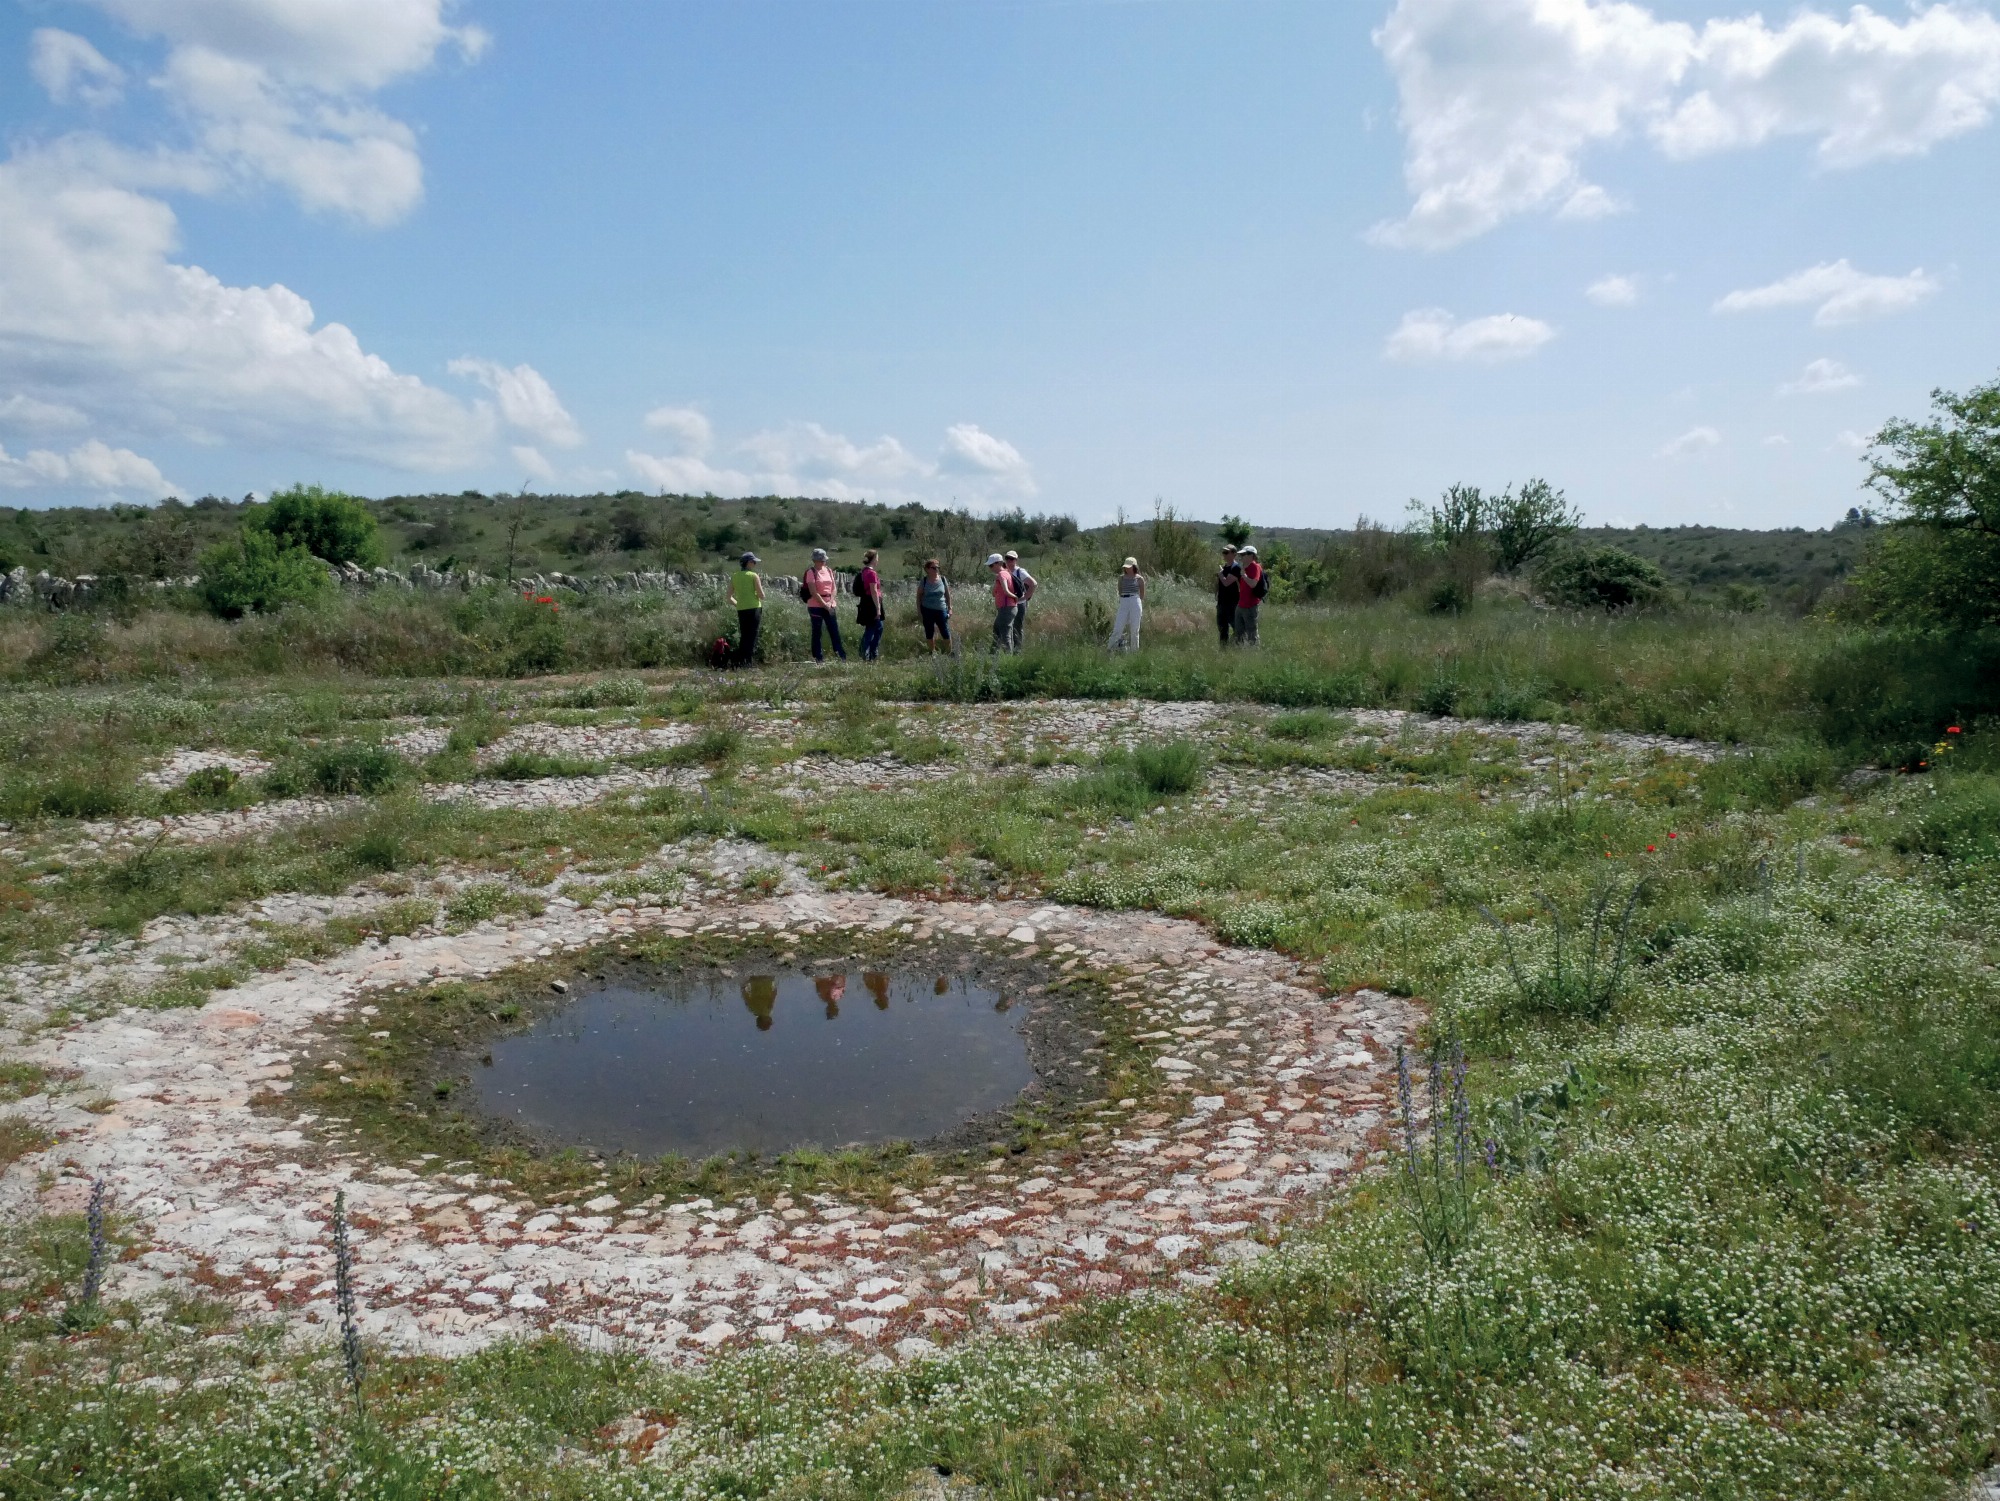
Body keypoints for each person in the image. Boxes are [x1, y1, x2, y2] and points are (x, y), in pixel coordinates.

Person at [800, 547, 846, 662]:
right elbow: (813, 592)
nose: (823, 562)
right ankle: (818, 658)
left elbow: (834, 588)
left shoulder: (829, 570)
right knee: (817, 631)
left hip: (830, 603)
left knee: (834, 630)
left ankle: (841, 656)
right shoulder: (811, 572)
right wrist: (824, 605)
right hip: (815, 605)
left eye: (824, 560)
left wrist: (830, 602)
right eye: (821, 560)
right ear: (815, 560)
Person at [730, 551, 765, 667]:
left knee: (744, 635)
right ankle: (748, 663)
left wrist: (738, 604)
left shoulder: (735, 576)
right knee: (752, 635)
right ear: (749, 563)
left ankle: (741, 661)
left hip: (741, 609)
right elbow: (761, 595)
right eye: (754, 562)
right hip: (754, 608)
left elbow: (728, 597)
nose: (755, 564)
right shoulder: (753, 576)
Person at [1108, 556, 1145, 651]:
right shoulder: (1121, 578)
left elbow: (1142, 594)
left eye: (1129, 567)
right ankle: (1111, 649)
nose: (1127, 568)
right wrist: (1123, 600)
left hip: (1135, 601)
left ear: (1134, 566)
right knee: (1118, 627)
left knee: (1134, 629)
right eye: (1126, 567)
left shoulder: (1139, 579)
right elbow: (1120, 591)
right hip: (1124, 601)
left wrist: (1135, 601)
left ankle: (1134, 651)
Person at [987, 552, 1020, 653]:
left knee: (1005, 635)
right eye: (989, 566)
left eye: (991, 565)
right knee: (998, 630)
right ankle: (993, 654)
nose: (990, 568)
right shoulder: (1006, 573)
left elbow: (1005, 590)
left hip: (1007, 608)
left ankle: (1007, 659)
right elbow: (994, 593)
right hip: (1006, 608)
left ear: (998, 563)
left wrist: (1014, 597)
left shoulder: (1002, 574)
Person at [855, 548, 885, 661]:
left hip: (865, 602)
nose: (878, 560)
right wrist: (878, 609)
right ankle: (868, 652)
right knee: (874, 628)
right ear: (873, 559)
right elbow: (873, 591)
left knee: (875, 627)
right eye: (877, 558)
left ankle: (869, 652)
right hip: (872, 603)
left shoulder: (864, 571)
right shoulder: (871, 573)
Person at [917, 558, 952, 652]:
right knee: (929, 632)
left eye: (938, 567)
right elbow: (919, 596)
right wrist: (919, 611)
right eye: (934, 567)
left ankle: (949, 652)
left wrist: (950, 608)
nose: (936, 569)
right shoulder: (924, 581)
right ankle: (932, 653)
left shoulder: (943, 579)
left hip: (941, 609)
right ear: (927, 569)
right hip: (927, 610)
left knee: (945, 631)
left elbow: (947, 595)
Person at [1004, 549, 1036, 652]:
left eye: (1011, 559)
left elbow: (1033, 584)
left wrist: (1025, 597)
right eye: (1007, 558)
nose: (1009, 561)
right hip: (1008, 604)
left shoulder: (1020, 571)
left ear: (1016, 560)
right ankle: (1010, 648)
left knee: (1017, 626)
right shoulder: (1005, 571)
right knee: (1008, 626)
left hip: (1019, 604)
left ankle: (1017, 650)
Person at [1233, 544, 1264, 646]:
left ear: (1251, 555)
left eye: (1244, 554)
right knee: (1239, 631)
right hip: (1241, 604)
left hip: (1250, 606)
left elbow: (1253, 584)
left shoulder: (1255, 567)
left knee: (1252, 633)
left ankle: (1254, 653)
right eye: (1241, 554)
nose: (1241, 557)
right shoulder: (1244, 567)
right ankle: (1240, 650)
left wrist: (1244, 575)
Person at [1215, 543, 1239, 648]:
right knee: (1222, 627)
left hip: (1232, 602)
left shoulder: (1236, 567)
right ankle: (1223, 649)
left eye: (1226, 552)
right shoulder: (1224, 567)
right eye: (1223, 552)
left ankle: (1237, 645)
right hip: (1222, 602)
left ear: (1234, 554)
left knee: (1235, 627)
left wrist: (1220, 574)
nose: (1224, 555)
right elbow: (1221, 585)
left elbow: (1226, 582)